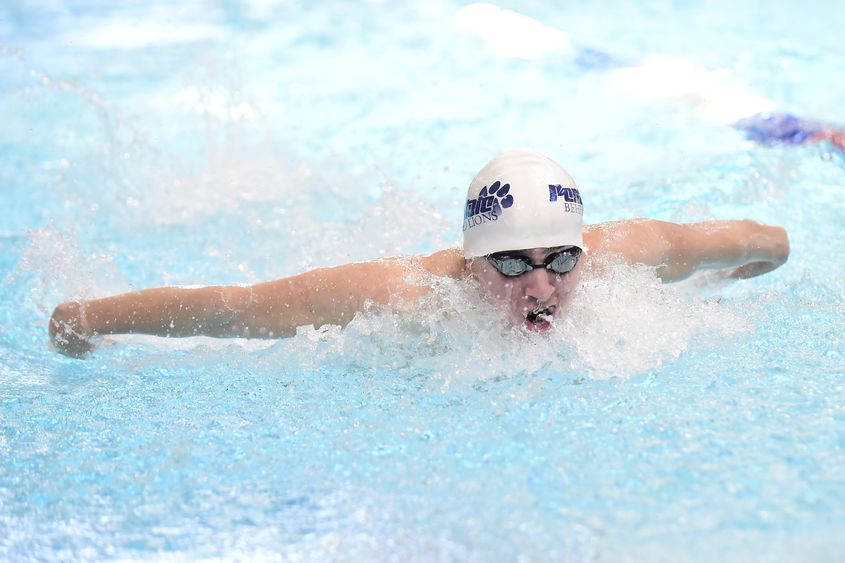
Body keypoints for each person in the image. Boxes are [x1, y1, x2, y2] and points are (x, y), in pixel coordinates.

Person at [49, 149, 790, 357]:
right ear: (469, 262)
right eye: (509, 263)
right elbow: (234, 309)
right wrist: (87, 315)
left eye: (558, 260)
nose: (541, 285)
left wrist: (742, 267)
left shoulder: (620, 254)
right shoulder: (398, 296)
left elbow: (760, 242)